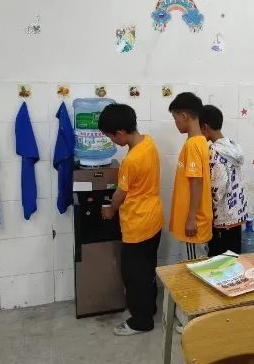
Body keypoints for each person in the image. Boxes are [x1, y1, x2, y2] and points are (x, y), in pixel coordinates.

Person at [98, 103, 163, 336]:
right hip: (154, 219)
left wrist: (110, 210)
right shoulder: (148, 143)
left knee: (134, 276)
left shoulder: (131, 161)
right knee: (147, 270)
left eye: (110, 137)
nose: (111, 141)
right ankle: (149, 309)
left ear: (121, 132)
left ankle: (141, 321)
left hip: (137, 225)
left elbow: (120, 194)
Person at [199, 104, 249, 256]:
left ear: (205, 127)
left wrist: (207, 208)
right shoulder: (233, 145)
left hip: (222, 217)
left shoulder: (214, 151)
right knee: (233, 257)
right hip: (237, 214)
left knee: (220, 260)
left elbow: (218, 185)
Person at [168, 92, 213, 260]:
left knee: (194, 268)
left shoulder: (193, 144)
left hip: (195, 224)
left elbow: (197, 182)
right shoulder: (199, 141)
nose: (176, 123)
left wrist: (192, 218)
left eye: (175, 118)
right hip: (194, 220)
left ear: (184, 116)